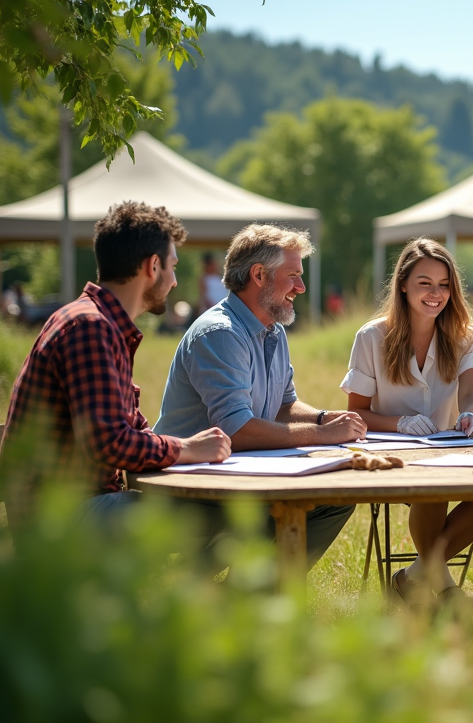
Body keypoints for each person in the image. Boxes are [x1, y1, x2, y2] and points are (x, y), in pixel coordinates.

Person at [0, 201, 231, 531]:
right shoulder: (90, 327)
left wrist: (181, 449)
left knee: (217, 509)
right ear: (153, 266)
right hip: (56, 519)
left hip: (78, 505)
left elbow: (129, 427)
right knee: (222, 513)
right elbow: (109, 441)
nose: (176, 280)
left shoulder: (98, 322)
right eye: (173, 266)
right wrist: (187, 448)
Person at [156, 224, 365, 565]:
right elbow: (235, 430)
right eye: (293, 275)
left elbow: (283, 406)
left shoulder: (272, 329)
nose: (301, 286)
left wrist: (324, 418)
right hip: (191, 487)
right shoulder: (220, 333)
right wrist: (324, 434)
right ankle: (248, 600)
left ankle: (256, 599)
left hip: (228, 478)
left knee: (337, 498)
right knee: (293, 506)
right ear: (258, 275)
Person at [341, 238, 473, 603]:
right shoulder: (371, 336)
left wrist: (468, 415)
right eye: (424, 283)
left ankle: (412, 578)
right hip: (394, 457)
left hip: (448, 451)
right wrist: (400, 422)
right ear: (403, 284)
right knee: (433, 489)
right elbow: (355, 412)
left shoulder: (464, 334)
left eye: (444, 285)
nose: (436, 293)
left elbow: (472, 396)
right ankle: (446, 591)